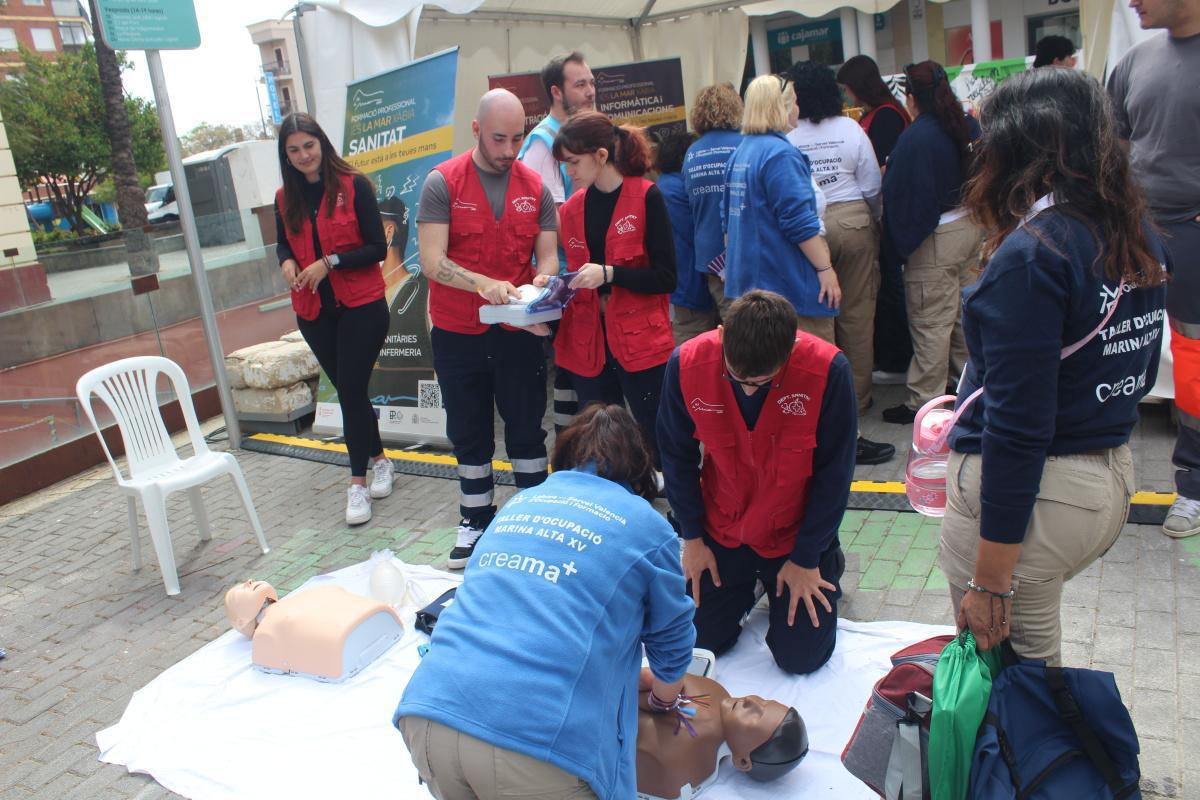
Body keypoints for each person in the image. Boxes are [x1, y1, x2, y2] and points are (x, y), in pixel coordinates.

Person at [939, 68, 1168, 664]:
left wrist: (989, 582)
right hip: (1109, 476)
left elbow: (1017, 431)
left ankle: (1050, 759)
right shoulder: (1135, 230)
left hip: (1038, 496)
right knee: (1029, 674)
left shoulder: (1033, 256)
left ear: (1022, 153)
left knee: (1011, 681)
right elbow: (1139, 372)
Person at [394, 404, 696, 800]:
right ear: (639, 471)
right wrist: (662, 697)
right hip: (533, 745)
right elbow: (672, 644)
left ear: (565, 457)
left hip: (429, 714)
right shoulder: (647, 526)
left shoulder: (520, 503)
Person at [657, 290, 854, 675]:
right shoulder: (686, 364)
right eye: (735, 377)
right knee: (697, 642)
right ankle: (748, 586)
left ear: (792, 350)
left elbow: (836, 474)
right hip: (722, 529)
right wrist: (693, 540)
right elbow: (676, 457)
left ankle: (830, 563)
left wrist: (807, 557)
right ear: (720, 334)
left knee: (802, 659)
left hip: (793, 535)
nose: (747, 389)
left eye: (762, 382)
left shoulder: (829, 372)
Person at [416, 89, 560, 568]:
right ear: (476, 131)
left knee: (526, 427)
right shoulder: (443, 183)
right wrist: (482, 284)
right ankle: (475, 518)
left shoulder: (534, 187)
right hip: (458, 331)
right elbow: (433, 262)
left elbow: (548, 255)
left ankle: (533, 516)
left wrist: (542, 279)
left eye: (517, 138)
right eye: (499, 138)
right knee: (469, 431)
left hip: (517, 331)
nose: (508, 150)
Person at [1107, 0, 1200, 538]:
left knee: (1192, 364)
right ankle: (1096, 478)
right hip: (1134, 230)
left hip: (1192, 232)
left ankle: (1193, 485)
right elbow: (1113, 150)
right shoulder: (1134, 62)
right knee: (1116, 347)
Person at [274, 112, 392, 526]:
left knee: (350, 392)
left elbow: (377, 247)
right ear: (286, 156)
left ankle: (357, 484)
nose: (304, 155)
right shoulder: (282, 198)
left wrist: (330, 262)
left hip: (362, 307)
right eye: (294, 150)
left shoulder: (354, 186)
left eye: (309, 145)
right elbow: (280, 245)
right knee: (351, 393)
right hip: (314, 312)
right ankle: (380, 460)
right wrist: (288, 262)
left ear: (321, 143)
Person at [547, 111, 677, 462]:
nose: (569, 172)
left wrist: (610, 274)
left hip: (641, 342)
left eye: (573, 163)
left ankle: (672, 507)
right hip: (589, 344)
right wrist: (551, 289)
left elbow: (666, 277)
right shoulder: (573, 210)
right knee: (601, 442)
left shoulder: (648, 197)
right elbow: (576, 275)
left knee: (659, 434)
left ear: (601, 156)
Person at [785, 61, 893, 467]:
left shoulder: (790, 136)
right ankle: (859, 399)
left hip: (810, 231)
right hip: (854, 220)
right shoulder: (851, 129)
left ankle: (831, 401)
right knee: (858, 316)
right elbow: (872, 187)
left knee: (820, 318)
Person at [880, 61, 983, 425]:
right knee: (963, 317)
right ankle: (969, 383)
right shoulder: (966, 125)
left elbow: (902, 199)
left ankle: (924, 400)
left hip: (936, 238)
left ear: (910, 99)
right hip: (972, 227)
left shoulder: (915, 138)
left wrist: (897, 247)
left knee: (931, 321)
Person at [722, 75, 840, 342]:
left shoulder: (740, 153)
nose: (798, 108)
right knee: (810, 368)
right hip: (789, 287)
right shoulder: (780, 154)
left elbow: (726, 223)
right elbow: (799, 222)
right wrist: (825, 269)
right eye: (795, 102)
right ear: (782, 107)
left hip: (752, 288)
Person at [518, 51, 597, 433]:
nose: (590, 91)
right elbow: (549, 220)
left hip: (586, 274)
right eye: (580, 84)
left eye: (592, 82)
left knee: (581, 369)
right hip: (568, 278)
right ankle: (571, 448)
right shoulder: (541, 143)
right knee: (571, 370)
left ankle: (580, 443)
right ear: (556, 91)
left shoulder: (584, 134)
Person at [835, 55, 912, 384]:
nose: (847, 96)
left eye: (848, 89)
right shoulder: (878, 115)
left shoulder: (886, 117)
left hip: (883, 215)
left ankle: (894, 360)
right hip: (873, 214)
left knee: (888, 289)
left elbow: (884, 167)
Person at [635, 670, 808, 799]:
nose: (750, 701)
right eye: (763, 701)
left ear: (742, 761)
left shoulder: (685, 752)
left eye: (755, 716)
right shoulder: (718, 691)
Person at [224, 579, 404, 681]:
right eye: (241, 590)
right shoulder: (266, 634)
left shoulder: (298, 600)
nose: (249, 581)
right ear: (241, 621)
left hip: (364, 629)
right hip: (380, 622)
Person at [683, 83, 743, 320]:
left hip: (710, 254)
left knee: (730, 321)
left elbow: (690, 200)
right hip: (744, 249)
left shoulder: (692, 152)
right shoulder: (745, 144)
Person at [656, 131, 713, 345]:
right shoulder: (677, 188)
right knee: (695, 349)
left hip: (682, 288)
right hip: (692, 287)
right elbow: (696, 231)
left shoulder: (663, 185)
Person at [836, 55, 910, 167]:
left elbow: (884, 163)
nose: (845, 92)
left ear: (857, 86)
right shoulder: (873, 113)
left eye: (846, 87)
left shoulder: (887, 115)